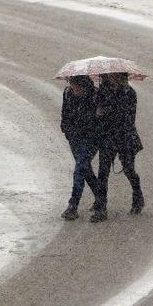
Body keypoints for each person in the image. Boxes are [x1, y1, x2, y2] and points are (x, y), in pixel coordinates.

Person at [92, 72, 143, 222]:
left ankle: (137, 194)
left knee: (128, 169)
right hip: (107, 137)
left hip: (125, 137)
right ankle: (101, 208)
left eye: (114, 75)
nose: (110, 77)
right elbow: (99, 115)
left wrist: (106, 112)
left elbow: (128, 119)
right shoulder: (102, 91)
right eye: (109, 75)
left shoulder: (129, 93)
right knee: (103, 173)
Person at [60, 75, 99, 221]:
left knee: (79, 169)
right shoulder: (67, 93)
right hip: (74, 138)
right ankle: (100, 197)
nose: (74, 89)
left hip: (90, 139)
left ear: (84, 86)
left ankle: (73, 205)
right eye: (72, 85)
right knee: (85, 169)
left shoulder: (95, 96)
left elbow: (95, 121)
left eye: (77, 86)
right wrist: (67, 131)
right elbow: (65, 115)